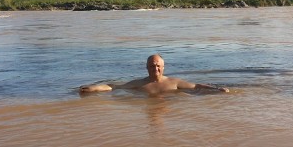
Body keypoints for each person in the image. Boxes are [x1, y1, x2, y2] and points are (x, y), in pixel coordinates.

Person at [79, 54, 229, 94]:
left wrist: (216, 89)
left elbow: (196, 86)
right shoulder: (139, 84)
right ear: (146, 68)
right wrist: (92, 89)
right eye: (152, 66)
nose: (155, 68)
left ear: (163, 67)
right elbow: (112, 87)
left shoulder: (174, 82)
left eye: (158, 66)